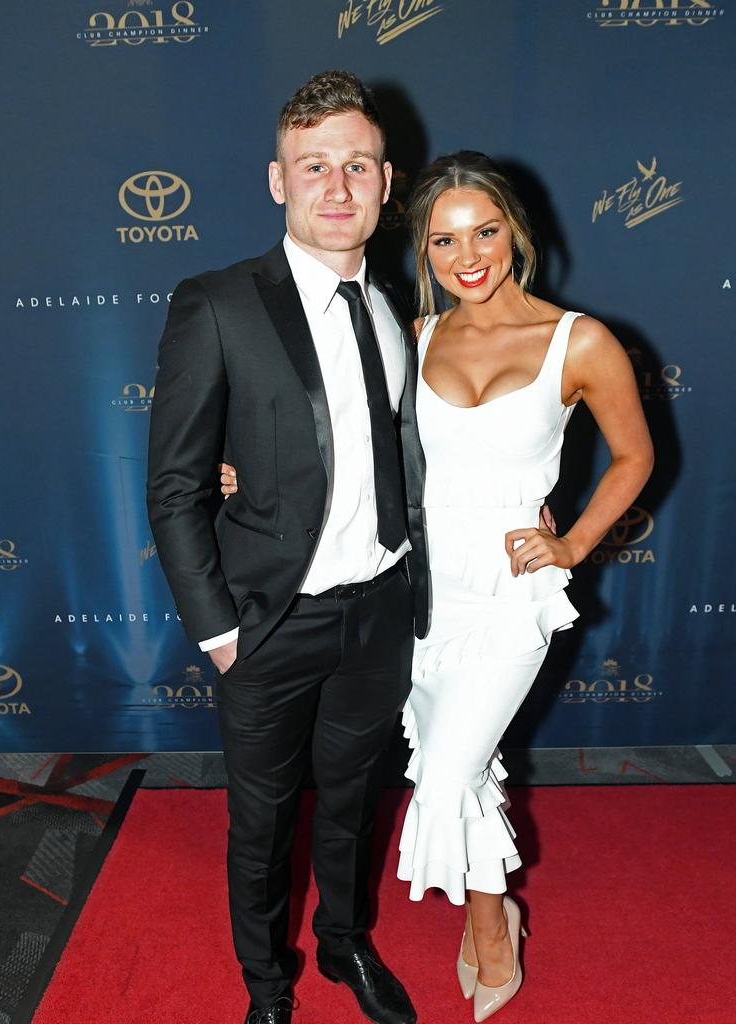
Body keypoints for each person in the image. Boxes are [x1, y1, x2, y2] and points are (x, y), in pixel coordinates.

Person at [222, 151, 654, 1022]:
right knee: (459, 760)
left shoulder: (581, 340)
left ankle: (493, 923)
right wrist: (253, 475)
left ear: (515, 233)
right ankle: (494, 912)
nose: (469, 255)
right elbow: (343, 432)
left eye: (486, 231)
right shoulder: (411, 333)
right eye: (445, 237)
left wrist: (570, 542)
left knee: (450, 773)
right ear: (420, 246)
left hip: (504, 593)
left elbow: (636, 456)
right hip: (412, 590)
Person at [147, 71, 429, 1024]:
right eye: (315, 167)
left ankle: (346, 945)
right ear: (278, 181)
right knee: (262, 825)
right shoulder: (218, 303)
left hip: (381, 613)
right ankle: (267, 989)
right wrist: (219, 630)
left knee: (352, 804)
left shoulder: (402, 311)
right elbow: (177, 483)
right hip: (267, 624)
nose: (337, 187)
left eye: (357, 166)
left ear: (387, 185)